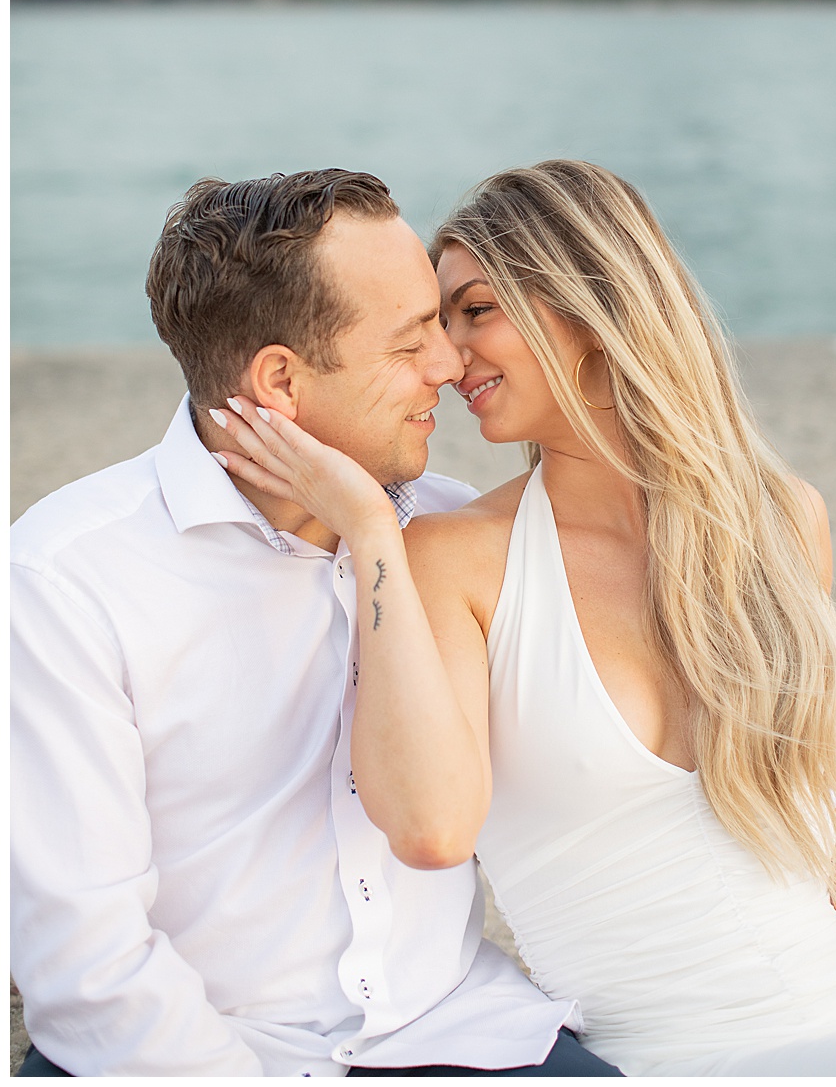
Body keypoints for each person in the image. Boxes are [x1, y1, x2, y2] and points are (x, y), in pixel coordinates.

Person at [210, 160, 836, 1076]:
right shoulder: (456, 559)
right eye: (436, 324)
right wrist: (373, 532)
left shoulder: (782, 517)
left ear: (581, 309)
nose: (450, 359)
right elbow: (428, 825)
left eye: (474, 311)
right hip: (686, 1054)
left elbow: (815, 757)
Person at [10, 170, 615, 1075]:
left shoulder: (457, 538)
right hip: (195, 1055)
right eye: (411, 342)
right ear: (281, 380)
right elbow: (90, 965)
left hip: (457, 1029)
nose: (450, 367)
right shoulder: (67, 578)